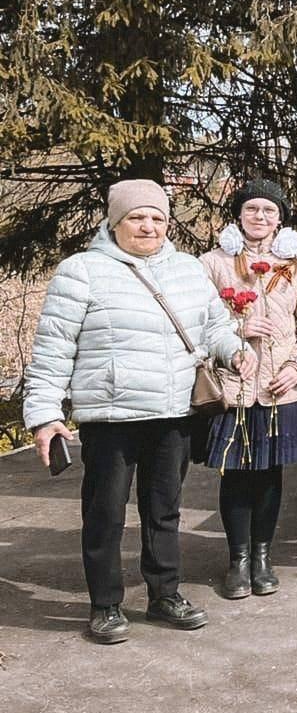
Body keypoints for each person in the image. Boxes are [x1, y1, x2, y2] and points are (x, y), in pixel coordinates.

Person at [23, 179, 254, 643]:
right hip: (111, 419)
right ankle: (105, 605)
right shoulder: (81, 271)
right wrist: (45, 414)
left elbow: (214, 325)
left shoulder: (188, 269)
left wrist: (234, 349)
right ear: (115, 221)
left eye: (157, 218)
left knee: (164, 511)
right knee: (105, 513)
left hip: (172, 414)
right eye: (137, 217)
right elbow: (52, 350)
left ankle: (164, 595)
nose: (148, 226)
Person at [199, 179, 297, 599]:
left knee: (271, 475)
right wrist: (238, 328)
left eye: (269, 211)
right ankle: (237, 560)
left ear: (280, 219)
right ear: (238, 215)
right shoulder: (213, 264)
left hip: (279, 387)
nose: (260, 217)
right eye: (252, 209)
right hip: (234, 387)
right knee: (234, 474)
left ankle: (263, 557)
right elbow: (196, 324)